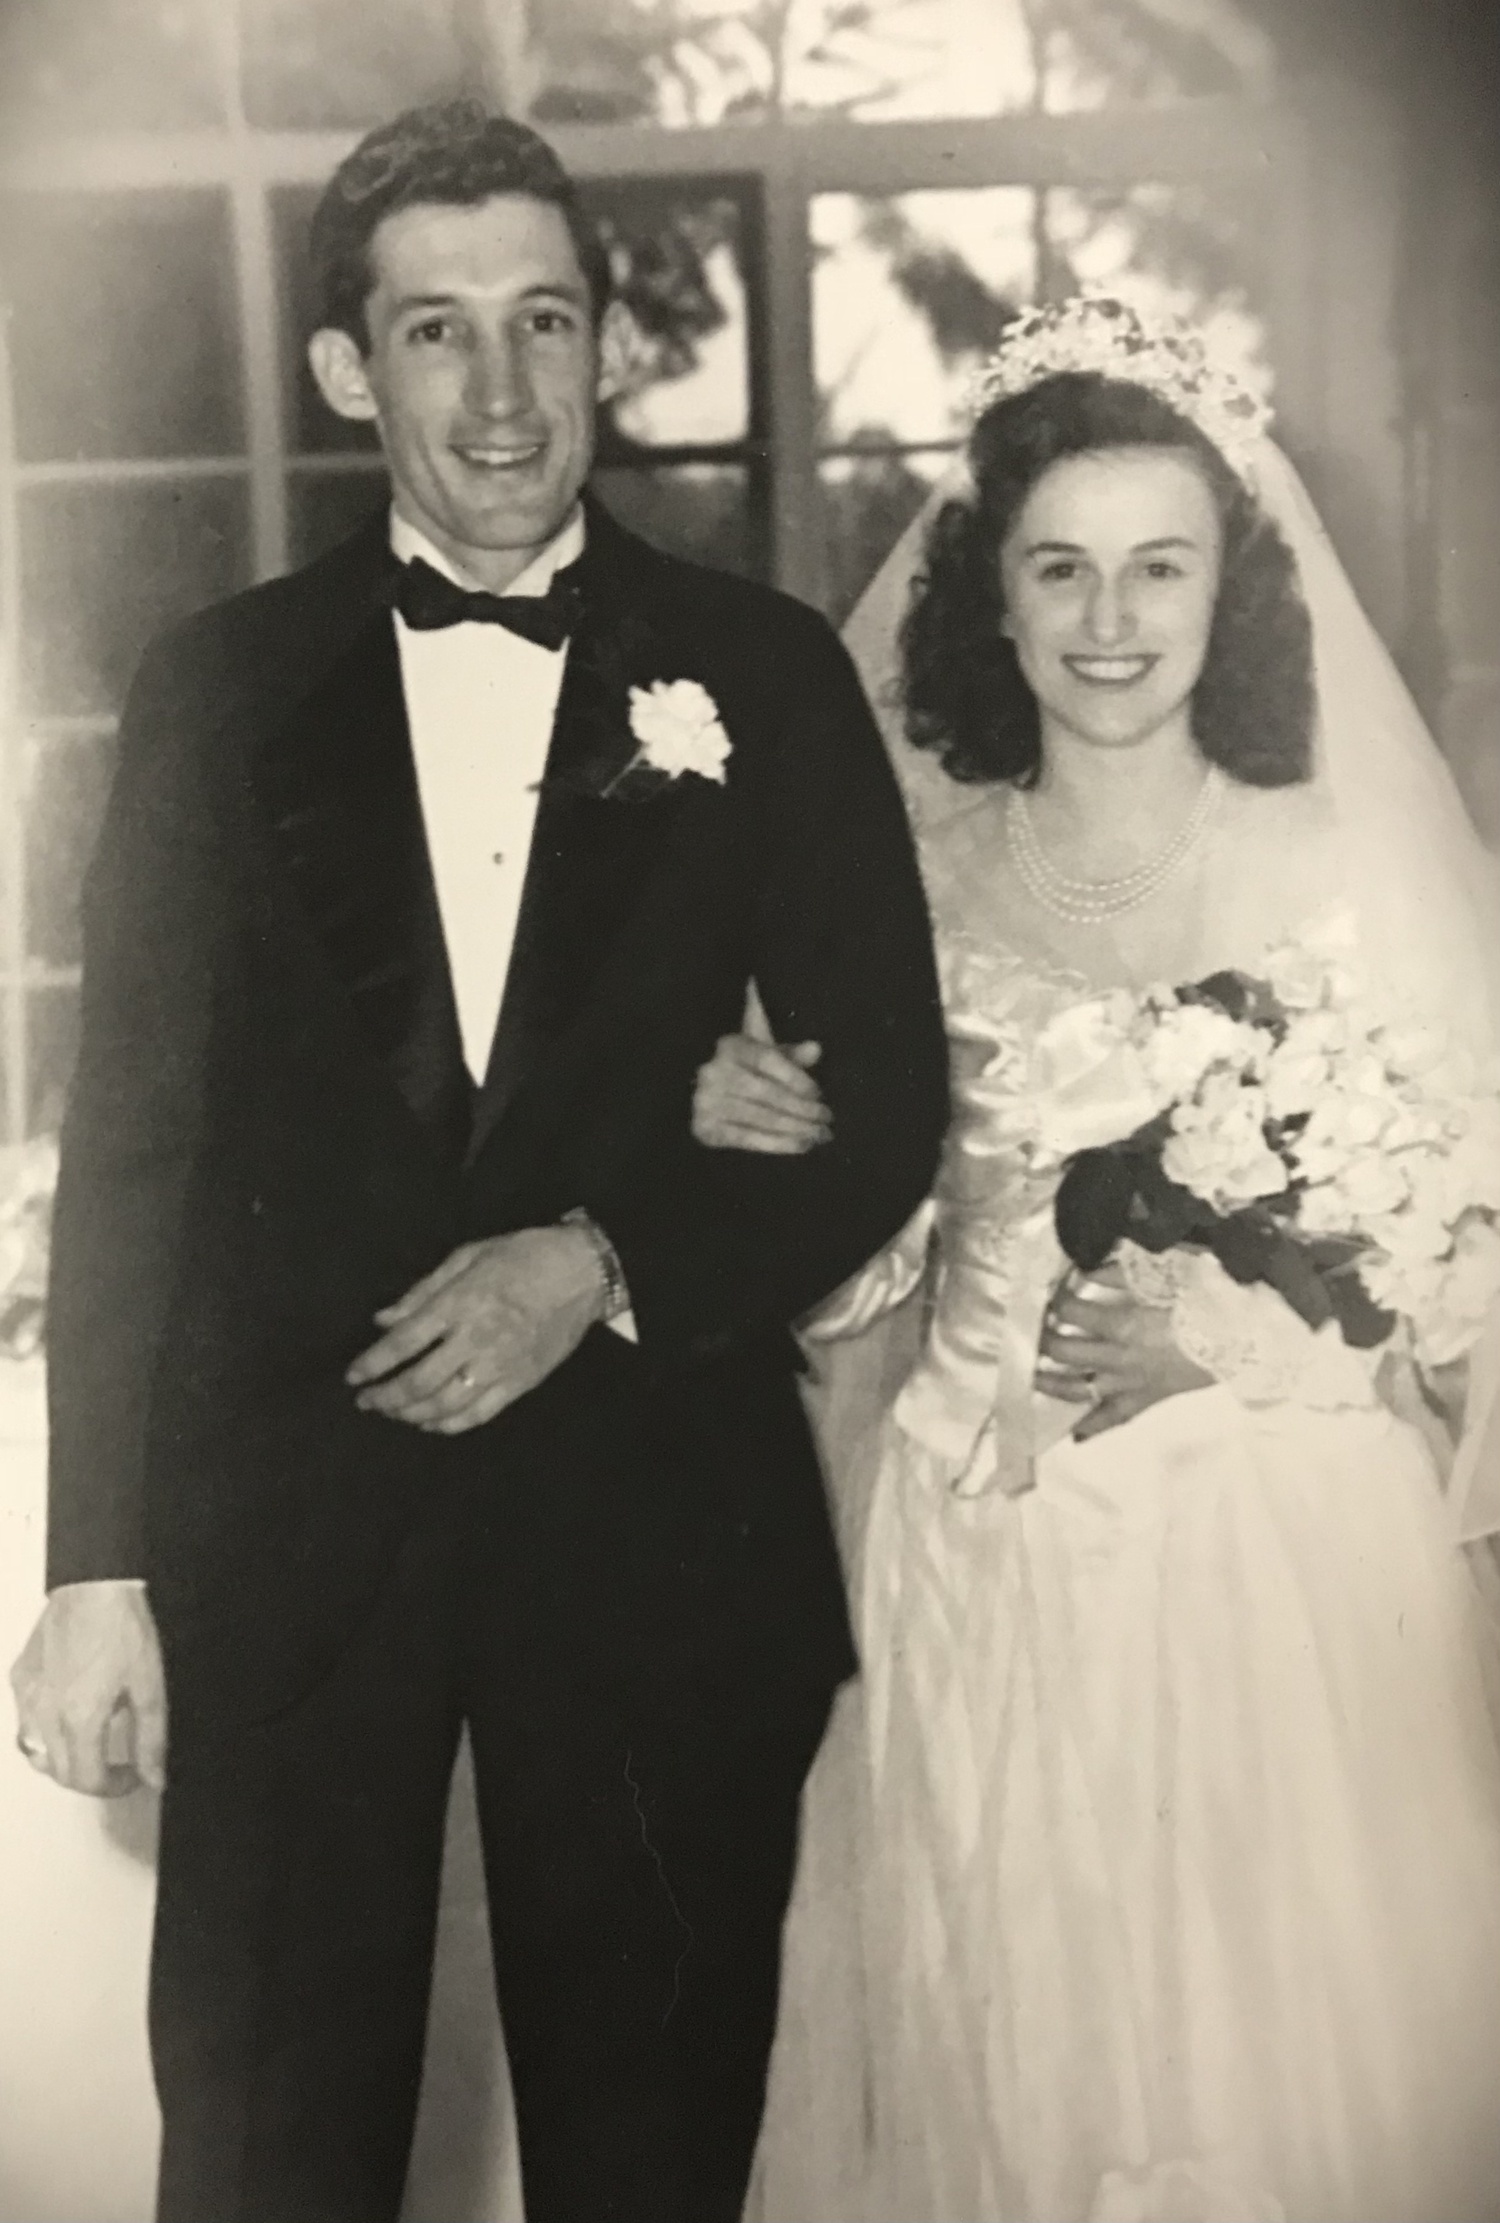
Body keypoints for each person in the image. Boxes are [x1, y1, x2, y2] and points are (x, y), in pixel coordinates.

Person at [8, 99, 949, 2223]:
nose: (503, 391)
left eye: (545, 320)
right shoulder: (216, 692)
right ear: (352, 369)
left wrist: (603, 1256)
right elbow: (134, 1139)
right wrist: (93, 1567)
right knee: (261, 2160)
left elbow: (884, 1098)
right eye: (439, 333)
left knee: (650, 2155)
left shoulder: (768, 680)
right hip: (289, 1540)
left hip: (656, 1546)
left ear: (609, 344)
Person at [698, 298, 1500, 2223]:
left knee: (1273, 2071)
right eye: (1060, 568)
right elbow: (858, 1274)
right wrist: (758, 1136)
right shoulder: (905, 880)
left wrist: (1251, 1341)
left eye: (1162, 565)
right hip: (977, 1558)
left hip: (1279, 1562)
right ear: (991, 594)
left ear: (1241, 587)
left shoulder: (1348, 874)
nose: (1111, 619)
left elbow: (1468, 1267)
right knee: (1013, 2073)